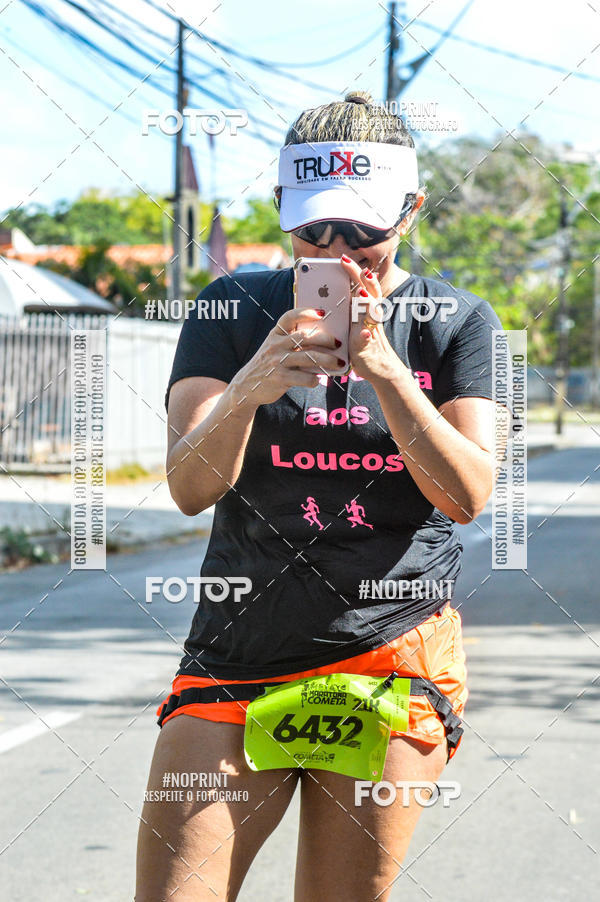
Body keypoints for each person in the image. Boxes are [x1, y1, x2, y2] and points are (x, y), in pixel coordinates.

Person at [136, 90, 508, 901]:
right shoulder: (232, 309)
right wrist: (249, 386)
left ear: (409, 212)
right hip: (235, 658)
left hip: (390, 656)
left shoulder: (455, 321)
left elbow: (468, 494)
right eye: (315, 229)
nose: (342, 251)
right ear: (282, 213)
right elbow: (192, 489)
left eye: (366, 230)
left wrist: (385, 372)